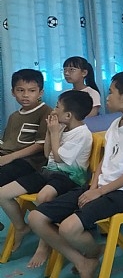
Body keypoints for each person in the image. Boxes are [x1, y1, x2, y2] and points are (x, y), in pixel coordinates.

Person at [28, 70, 123, 278]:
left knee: (68, 228)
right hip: (99, 188)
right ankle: (84, 260)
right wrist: (92, 188)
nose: (107, 97)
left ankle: (89, 255)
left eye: (111, 92)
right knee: (36, 218)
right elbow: (103, 162)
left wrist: (100, 191)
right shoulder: (116, 124)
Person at [0, 90, 93, 267]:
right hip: (48, 172)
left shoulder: (82, 134)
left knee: (44, 196)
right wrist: (50, 133)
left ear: (68, 115)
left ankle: (44, 245)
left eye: (57, 107)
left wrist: (54, 133)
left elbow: (58, 158)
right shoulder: (63, 127)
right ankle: (21, 227)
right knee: (3, 193)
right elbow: (47, 153)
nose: (54, 110)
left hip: (69, 177)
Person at [0, 70, 52, 192]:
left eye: (32, 91)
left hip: (29, 162)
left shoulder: (46, 112)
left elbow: (41, 145)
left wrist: (10, 157)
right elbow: (5, 143)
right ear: (13, 92)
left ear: (40, 92)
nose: (25, 95)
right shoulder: (14, 116)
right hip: (8, 157)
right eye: (20, 90)